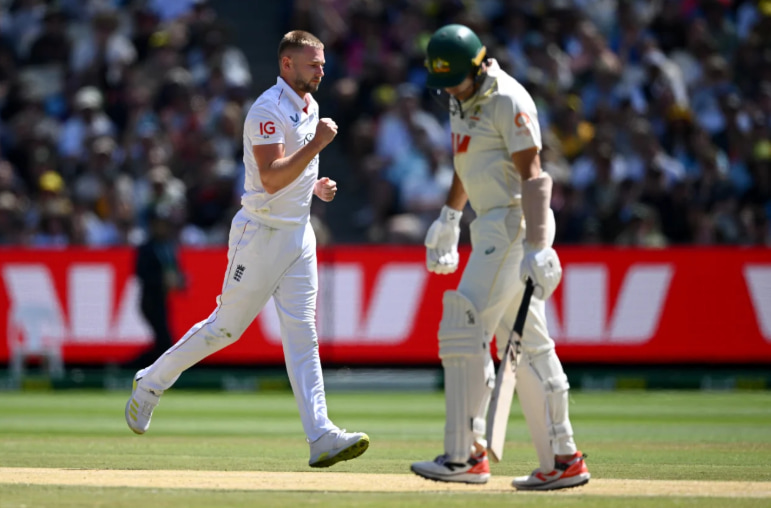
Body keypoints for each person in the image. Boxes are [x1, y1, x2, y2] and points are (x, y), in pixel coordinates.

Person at [125, 30, 370, 468]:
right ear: (286, 65)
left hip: (299, 234)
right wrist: (317, 146)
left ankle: (321, 436)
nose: (322, 70)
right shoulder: (266, 110)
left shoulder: (310, 107)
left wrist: (315, 187)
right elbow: (271, 177)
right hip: (260, 235)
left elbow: (289, 177)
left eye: (322, 63)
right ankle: (150, 383)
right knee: (225, 328)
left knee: (303, 337)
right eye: (312, 63)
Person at [409, 24, 590, 490]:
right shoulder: (461, 97)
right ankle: (563, 457)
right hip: (486, 223)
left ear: (478, 65)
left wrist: (539, 244)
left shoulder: (508, 98)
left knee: (463, 324)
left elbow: (534, 176)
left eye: (455, 80)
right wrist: (449, 216)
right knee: (530, 345)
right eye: (443, 82)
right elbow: (466, 161)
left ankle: (466, 456)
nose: (449, 90)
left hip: (512, 223)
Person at [130, 206, 185, 369]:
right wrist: (162, 280)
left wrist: (180, 281)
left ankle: (139, 369)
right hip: (149, 300)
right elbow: (141, 274)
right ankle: (133, 367)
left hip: (162, 300)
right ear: (152, 225)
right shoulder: (146, 248)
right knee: (164, 341)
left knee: (163, 342)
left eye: (164, 224)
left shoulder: (169, 247)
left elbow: (175, 271)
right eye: (158, 224)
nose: (162, 227)